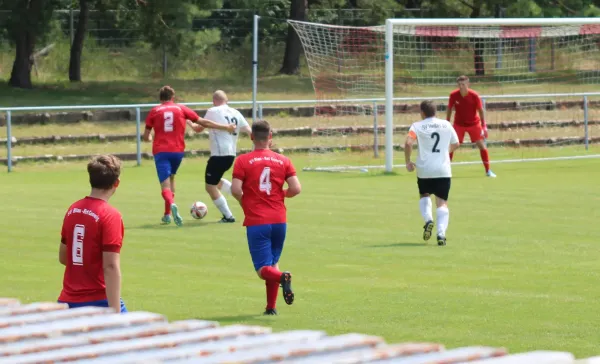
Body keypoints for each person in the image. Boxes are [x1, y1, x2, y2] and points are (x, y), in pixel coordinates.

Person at [230, 120, 301, 315]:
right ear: (270, 137)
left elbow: (235, 189)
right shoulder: (283, 160)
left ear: (252, 137)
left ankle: (283, 277)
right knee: (272, 263)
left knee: (263, 270)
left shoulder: (243, 161)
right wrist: (282, 195)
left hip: (257, 221)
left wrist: (245, 203)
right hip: (279, 220)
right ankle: (271, 307)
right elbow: (296, 188)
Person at [143, 86, 235, 226]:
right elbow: (203, 122)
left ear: (160, 98)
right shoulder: (181, 108)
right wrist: (225, 127)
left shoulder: (155, 111)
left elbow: (146, 136)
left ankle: (172, 205)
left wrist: (149, 138)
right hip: (178, 152)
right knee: (172, 177)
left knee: (165, 184)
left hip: (161, 151)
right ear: (173, 97)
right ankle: (167, 214)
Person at [57, 155, 127, 313]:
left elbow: (63, 257)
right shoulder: (110, 215)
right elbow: (110, 266)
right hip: (98, 301)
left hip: (67, 302)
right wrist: (115, 312)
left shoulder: (73, 209)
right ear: (116, 183)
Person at [188, 90, 252, 223]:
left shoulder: (213, 111)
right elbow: (250, 131)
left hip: (219, 154)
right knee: (216, 181)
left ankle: (228, 216)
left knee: (210, 186)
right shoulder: (235, 112)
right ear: (227, 100)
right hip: (231, 155)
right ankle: (243, 197)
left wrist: (186, 119)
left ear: (213, 101)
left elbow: (198, 128)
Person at [405, 100, 460, 246]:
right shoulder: (446, 124)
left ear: (422, 112)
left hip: (424, 169)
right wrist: (444, 152)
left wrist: (408, 161)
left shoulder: (417, 126)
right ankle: (441, 234)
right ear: (435, 111)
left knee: (424, 194)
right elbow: (456, 143)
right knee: (442, 202)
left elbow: (408, 142)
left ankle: (428, 219)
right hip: (443, 169)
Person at [446, 75, 496, 178]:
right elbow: (449, 109)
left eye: (463, 84)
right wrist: (447, 122)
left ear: (468, 84)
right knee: (452, 146)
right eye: (459, 84)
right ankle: (446, 171)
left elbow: (481, 111)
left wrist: (484, 125)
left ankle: (488, 170)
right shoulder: (453, 95)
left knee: (481, 145)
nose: (461, 86)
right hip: (459, 124)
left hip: (474, 124)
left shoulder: (474, 95)